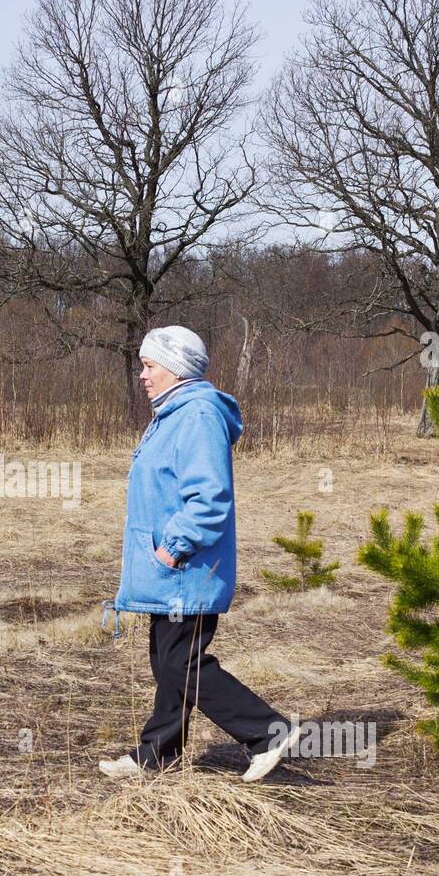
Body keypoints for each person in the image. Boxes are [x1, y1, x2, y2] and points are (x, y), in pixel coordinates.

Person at [98, 325, 300, 782]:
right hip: (168, 571)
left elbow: (210, 499)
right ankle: (158, 753)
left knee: (179, 663)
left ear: (175, 368)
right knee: (168, 662)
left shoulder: (197, 415)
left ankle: (268, 733)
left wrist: (171, 550)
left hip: (183, 569)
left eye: (149, 366)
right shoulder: (174, 413)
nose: (142, 375)